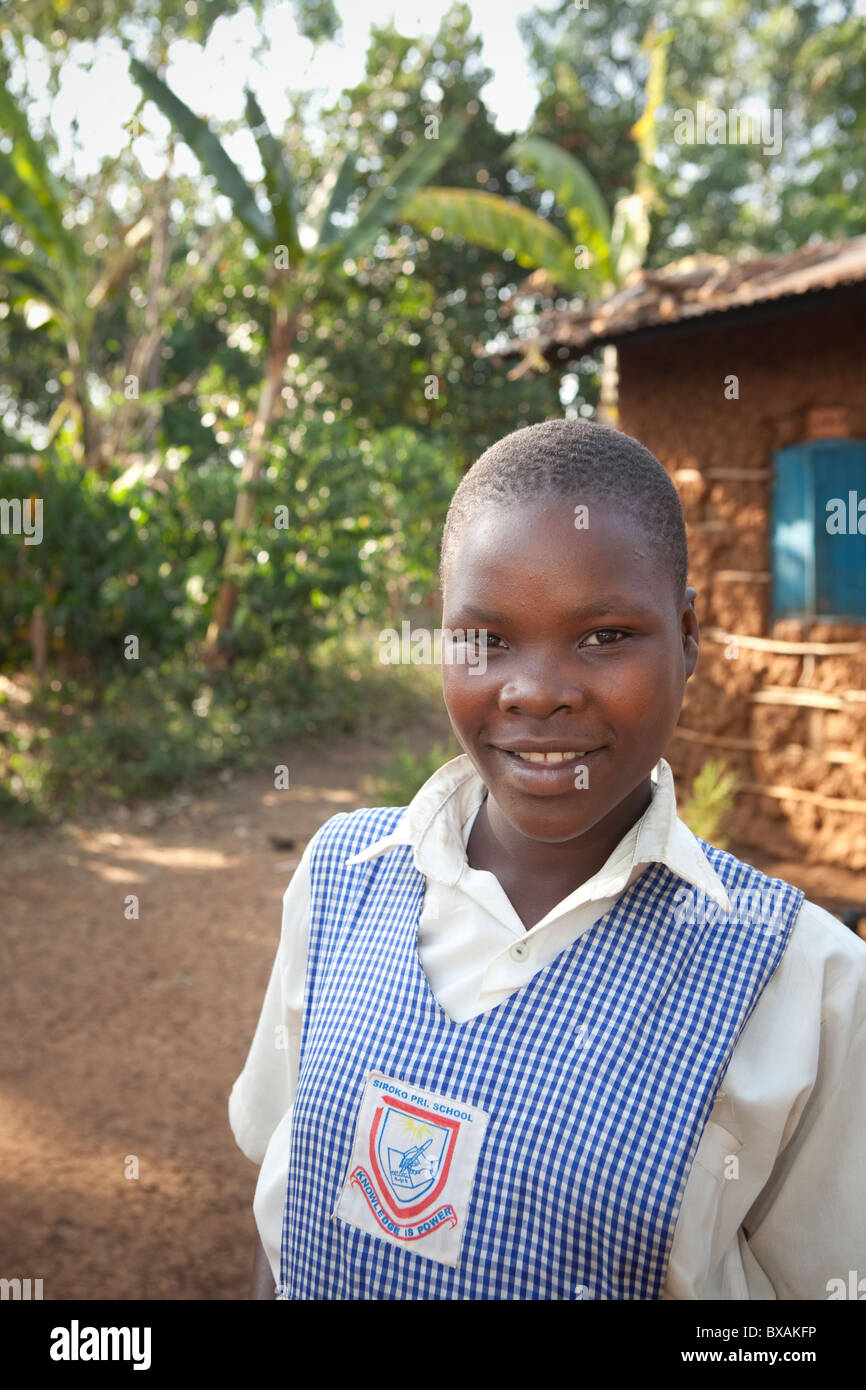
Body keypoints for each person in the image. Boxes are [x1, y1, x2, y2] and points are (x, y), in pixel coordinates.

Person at [229, 417, 866, 1301]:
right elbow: (284, 1213)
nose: (535, 690)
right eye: (486, 638)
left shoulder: (805, 983)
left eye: (603, 636)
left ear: (686, 636)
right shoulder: (343, 877)